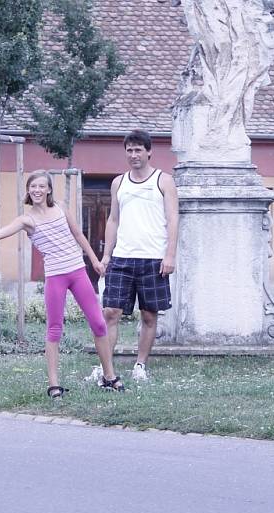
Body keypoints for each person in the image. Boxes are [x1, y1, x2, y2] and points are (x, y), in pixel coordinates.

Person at [0, 170, 124, 398]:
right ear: (28, 191)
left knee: (99, 324)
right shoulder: (27, 220)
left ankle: (109, 377)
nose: (37, 190)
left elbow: (79, 235)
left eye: (41, 186)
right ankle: (54, 385)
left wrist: (94, 260)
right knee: (54, 330)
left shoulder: (61, 207)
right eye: (33, 187)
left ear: (49, 189)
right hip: (55, 277)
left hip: (78, 272)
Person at [99, 129, 179, 381]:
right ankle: (106, 369)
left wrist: (170, 255)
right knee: (110, 312)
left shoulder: (163, 180)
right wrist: (106, 255)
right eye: (129, 150)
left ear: (149, 151)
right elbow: (113, 219)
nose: (133, 154)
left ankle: (140, 366)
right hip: (122, 258)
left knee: (148, 314)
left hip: (153, 259)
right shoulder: (118, 182)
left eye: (138, 150)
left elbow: (173, 219)